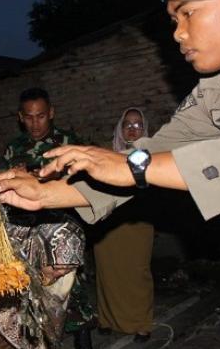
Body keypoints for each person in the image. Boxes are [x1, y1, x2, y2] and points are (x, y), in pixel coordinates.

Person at [0, 0, 220, 231]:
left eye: (188, 13)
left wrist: (133, 166)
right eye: (174, 21)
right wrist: (46, 193)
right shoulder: (215, 94)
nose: (178, 33)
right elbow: (155, 152)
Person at [0, 88, 93, 349]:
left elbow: (84, 185)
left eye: (41, 116)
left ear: (50, 113)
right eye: (29, 117)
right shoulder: (14, 148)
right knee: (34, 291)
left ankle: (83, 336)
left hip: (62, 226)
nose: (35, 123)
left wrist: (42, 179)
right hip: (27, 229)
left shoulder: (68, 142)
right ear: (20, 117)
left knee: (72, 288)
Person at [94, 108, 154, 343]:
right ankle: (107, 319)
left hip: (138, 221)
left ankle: (142, 323)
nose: (132, 129)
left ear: (145, 128)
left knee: (137, 272)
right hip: (108, 222)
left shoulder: (153, 154)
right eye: (127, 124)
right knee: (107, 272)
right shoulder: (108, 156)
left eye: (138, 125)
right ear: (120, 128)